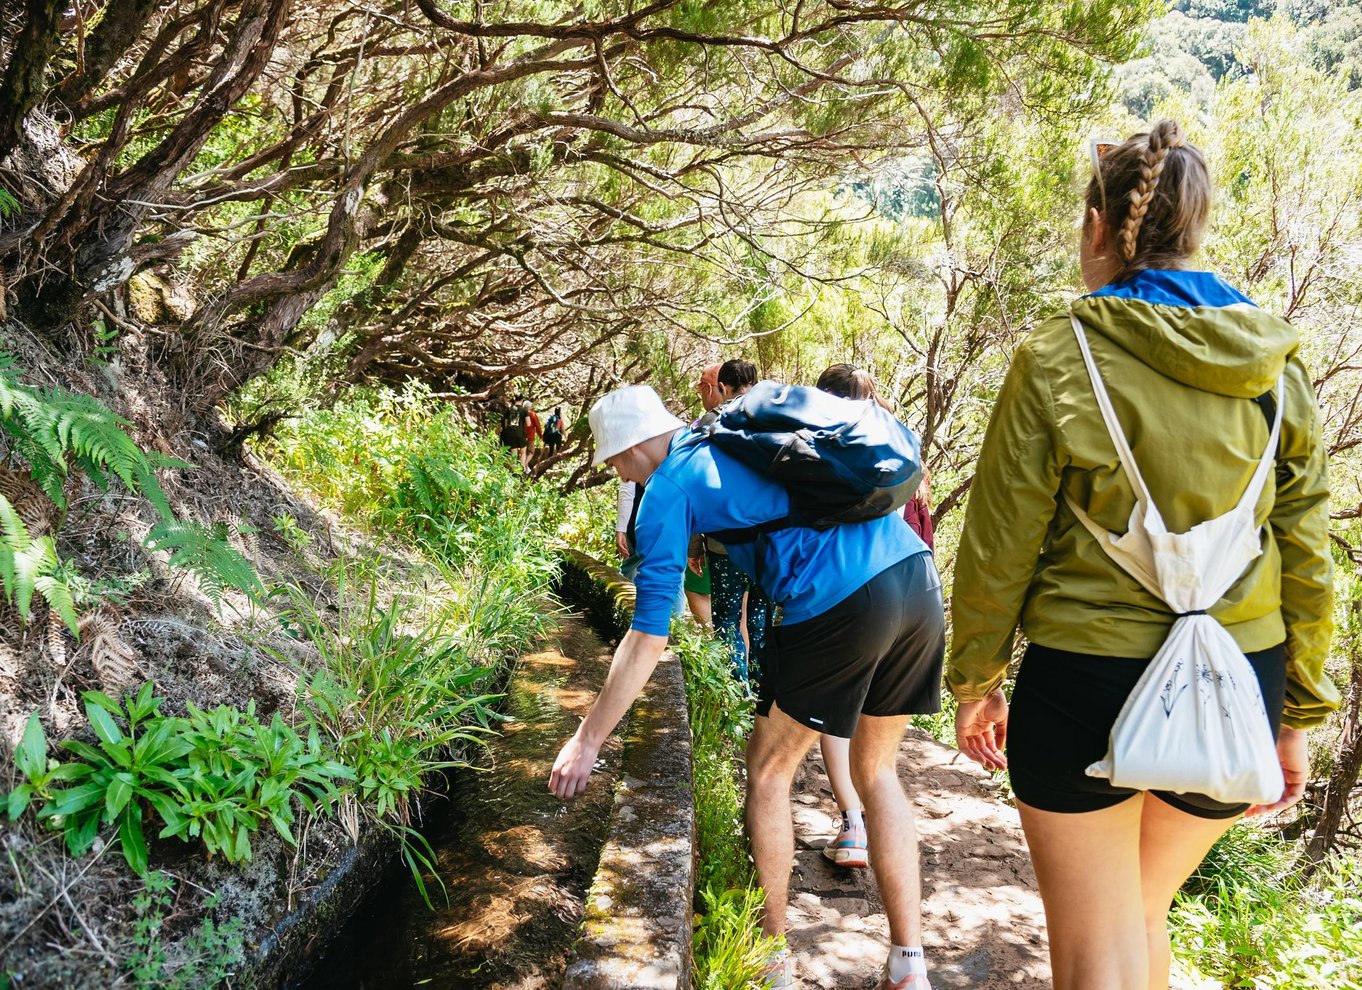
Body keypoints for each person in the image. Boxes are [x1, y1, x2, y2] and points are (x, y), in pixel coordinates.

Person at [948, 120, 1339, 990]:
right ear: (1197, 228)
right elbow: (1308, 550)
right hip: (1241, 678)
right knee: (1139, 916)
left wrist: (975, 679)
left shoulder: (1060, 355)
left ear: (1097, 226)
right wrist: (1300, 710)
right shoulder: (1277, 362)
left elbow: (999, 543)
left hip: (1087, 679)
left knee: (1096, 956)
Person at [551, 384, 942, 990]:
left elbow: (648, 634)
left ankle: (772, 957)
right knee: (879, 772)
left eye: (611, 460)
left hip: (842, 600)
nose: (612, 471)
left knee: (767, 772)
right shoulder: (732, 435)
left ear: (628, 448)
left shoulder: (669, 487)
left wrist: (588, 738)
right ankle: (908, 966)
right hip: (916, 579)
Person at [810, 363, 915, 869]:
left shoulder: (827, 440)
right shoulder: (896, 438)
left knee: (835, 718)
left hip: (845, 591)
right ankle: (908, 944)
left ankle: (853, 825)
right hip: (910, 590)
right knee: (880, 758)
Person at [692, 359, 775, 682]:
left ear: (723, 388)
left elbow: (699, 487)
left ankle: (736, 697)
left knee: (726, 618)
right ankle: (761, 692)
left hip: (723, 540)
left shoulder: (709, 424)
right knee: (760, 618)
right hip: (768, 540)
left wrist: (694, 543)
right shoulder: (775, 421)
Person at [519, 398, 542, 472]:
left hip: (521, 435)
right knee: (531, 452)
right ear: (529, 407)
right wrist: (541, 436)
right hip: (530, 436)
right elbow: (538, 426)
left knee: (523, 452)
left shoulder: (520, 414)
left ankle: (524, 467)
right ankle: (525, 465)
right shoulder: (532, 414)